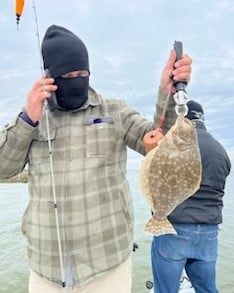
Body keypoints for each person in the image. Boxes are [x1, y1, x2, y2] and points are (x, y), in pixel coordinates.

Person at [0, 25, 192, 293]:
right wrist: (27, 119)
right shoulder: (33, 117)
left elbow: (161, 143)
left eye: (83, 73)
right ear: (50, 77)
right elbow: (4, 168)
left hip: (107, 266)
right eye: (68, 75)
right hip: (46, 270)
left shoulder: (115, 111)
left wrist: (167, 94)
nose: (77, 79)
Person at [151, 100, 231, 293]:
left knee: (165, 290)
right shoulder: (221, 150)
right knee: (207, 288)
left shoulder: (176, 144)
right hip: (209, 233)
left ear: (182, 118)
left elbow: (157, 179)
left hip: (175, 229)